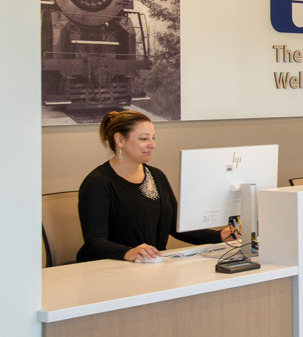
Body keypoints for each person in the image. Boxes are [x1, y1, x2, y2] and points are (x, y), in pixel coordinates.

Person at [76, 110, 236, 263]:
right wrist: (128, 252)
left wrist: (218, 236)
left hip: (151, 265)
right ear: (120, 140)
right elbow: (95, 242)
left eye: (153, 138)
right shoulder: (97, 183)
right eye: (144, 139)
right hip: (109, 270)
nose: (152, 145)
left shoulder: (157, 176)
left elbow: (175, 226)